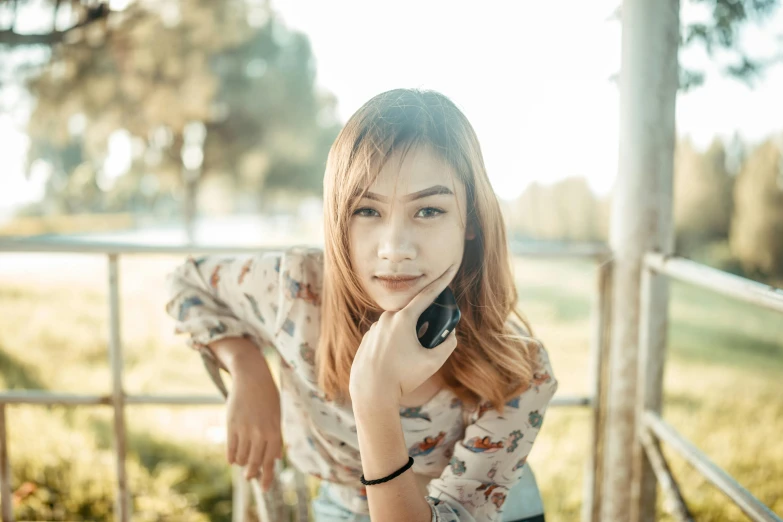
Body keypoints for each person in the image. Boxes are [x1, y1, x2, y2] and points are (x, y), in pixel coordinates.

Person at [164, 88, 558, 522]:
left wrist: (375, 399)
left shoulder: (519, 371)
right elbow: (186, 282)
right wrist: (246, 366)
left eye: (428, 210)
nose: (394, 248)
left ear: (472, 222)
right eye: (367, 211)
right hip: (345, 508)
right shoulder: (297, 289)